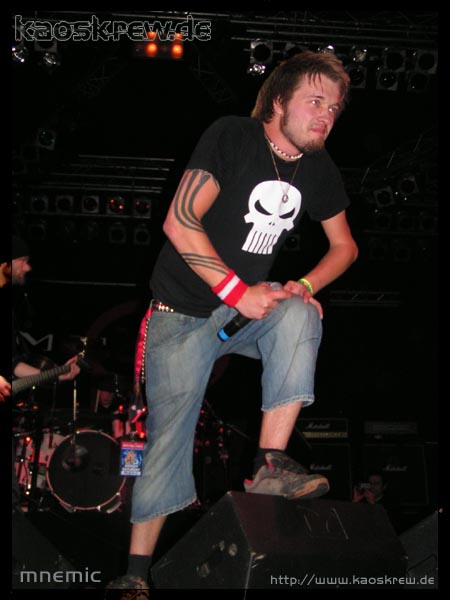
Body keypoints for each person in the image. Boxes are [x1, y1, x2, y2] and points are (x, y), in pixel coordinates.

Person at [107, 50, 358, 590]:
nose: (326, 116)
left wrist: (305, 286)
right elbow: (180, 221)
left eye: (334, 108)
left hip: (242, 310)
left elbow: (345, 247)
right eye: (315, 101)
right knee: (169, 440)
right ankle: (135, 576)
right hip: (181, 314)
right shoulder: (233, 136)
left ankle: (270, 463)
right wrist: (236, 291)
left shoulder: (317, 167)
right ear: (278, 101)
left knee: (301, 313)